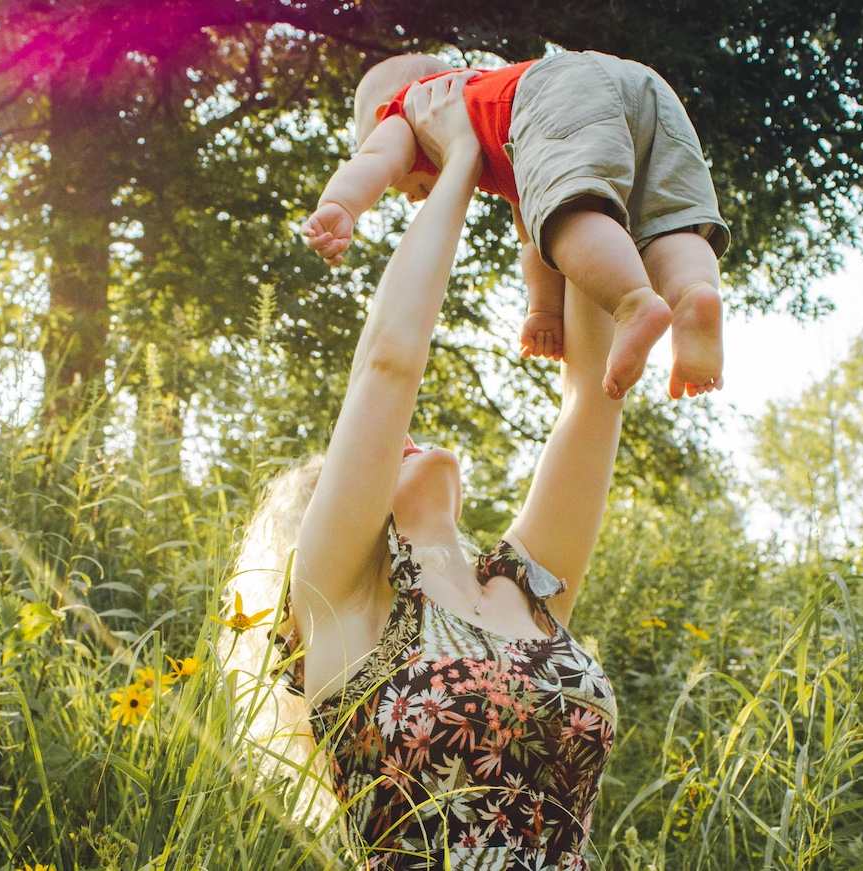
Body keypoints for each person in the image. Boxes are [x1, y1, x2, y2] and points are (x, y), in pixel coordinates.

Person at [232, 73, 626, 869]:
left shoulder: (523, 591)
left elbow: (595, 396)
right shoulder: (338, 599)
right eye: (387, 448)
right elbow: (388, 363)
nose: (400, 436)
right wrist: (455, 164)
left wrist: (560, 173)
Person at [302, 50, 732, 402]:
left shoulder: (413, 110)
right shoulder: (507, 132)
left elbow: (374, 160)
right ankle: (693, 296)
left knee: (569, 218)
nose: (412, 196)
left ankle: (634, 303)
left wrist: (340, 204)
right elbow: (534, 239)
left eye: (403, 188)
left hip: (559, 89)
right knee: (666, 221)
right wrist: (544, 311)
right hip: (645, 87)